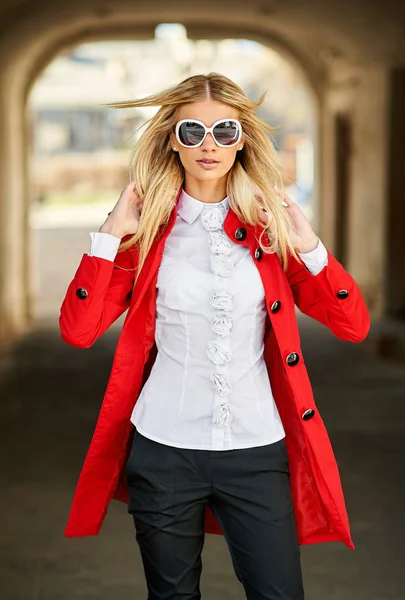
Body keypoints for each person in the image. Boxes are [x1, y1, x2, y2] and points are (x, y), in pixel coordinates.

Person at [59, 72, 370, 600]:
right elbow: (79, 331)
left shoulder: (269, 229)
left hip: (255, 449)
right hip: (164, 449)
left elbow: (352, 324)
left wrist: (311, 246)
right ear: (171, 141)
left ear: (242, 139)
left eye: (224, 131)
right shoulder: (146, 234)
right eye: (193, 132)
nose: (209, 145)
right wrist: (111, 234)